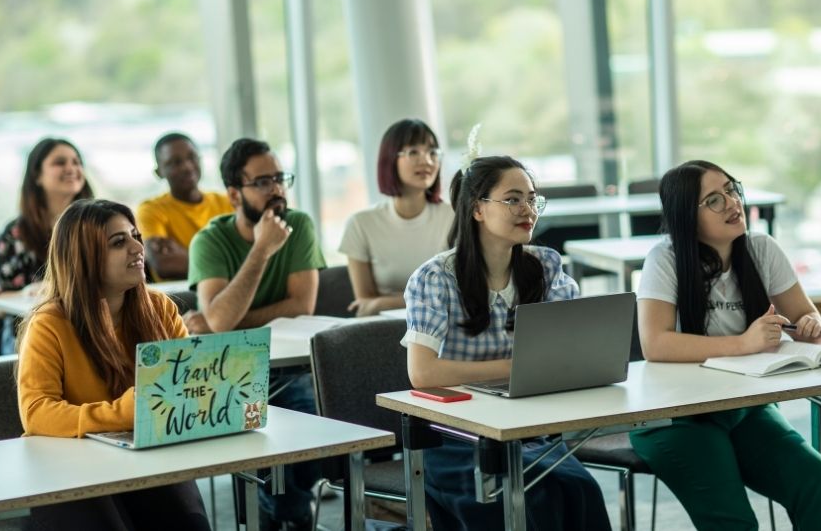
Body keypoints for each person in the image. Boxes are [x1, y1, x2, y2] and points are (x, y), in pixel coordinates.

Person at [633, 159, 821, 531]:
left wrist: (808, 327)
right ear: (687, 215)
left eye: (731, 190)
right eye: (714, 200)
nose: (732, 203)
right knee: (733, 521)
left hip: (745, 407)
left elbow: (803, 314)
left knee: (817, 479)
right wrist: (745, 343)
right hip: (675, 416)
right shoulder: (665, 258)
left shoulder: (762, 248)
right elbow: (656, 344)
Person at [402, 154, 611, 531]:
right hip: (456, 437)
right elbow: (422, 372)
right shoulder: (435, 278)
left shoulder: (545, 266)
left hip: (527, 427)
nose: (526, 209)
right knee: (533, 502)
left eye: (532, 199)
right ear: (477, 209)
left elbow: (573, 348)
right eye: (513, 199)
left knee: (580, 492)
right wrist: (514, 368)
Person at [16, 199, 209, 530]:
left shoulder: (160, 308)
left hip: (149, 462)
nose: (138, 247)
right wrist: (125, 412)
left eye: (135, 236)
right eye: (119, 242)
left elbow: (189, 387)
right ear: (85, 258)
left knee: (190, 525)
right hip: (69, 473)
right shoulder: (49, 323)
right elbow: (36, 413)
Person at [188, 137, 325, 530]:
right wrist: (261, 250)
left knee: (312, 424)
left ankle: (278, 512)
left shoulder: (298, 225)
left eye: (280, 178)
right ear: (234, 194)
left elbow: (302, 305)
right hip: (233, 369)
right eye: (263, 182)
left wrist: (228, 317)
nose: (277, 190)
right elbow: (217, 326)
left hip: (293, 363)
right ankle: (291, 516)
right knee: (267, 433)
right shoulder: (209, 241)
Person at [339, 119, 454, 316]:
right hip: (382, 329)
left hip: (443, 323)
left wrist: (383, 302)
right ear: (390, 159)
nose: (426, 161)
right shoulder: (360, 224)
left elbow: (456, 293)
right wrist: (423, 298)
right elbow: (365, 304)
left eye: (432, 152)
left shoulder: (454, 217)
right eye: (413, 152)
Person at [0, 138, 94, 354]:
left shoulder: (97, 225)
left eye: (76, 162)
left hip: (89, 327)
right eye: (60, 162)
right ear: (37, 175)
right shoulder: (15, 233)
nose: (71, 168)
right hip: (31, 334)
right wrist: (30, 291)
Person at [136, 132, 233, 281]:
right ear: (159, 172)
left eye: (192, 157)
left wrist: (185, 255)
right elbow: (165, 265)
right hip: (177, 299)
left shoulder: (227, 202)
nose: (187, 167)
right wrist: (227, 262)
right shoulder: (151, 210)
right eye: (175, 162)